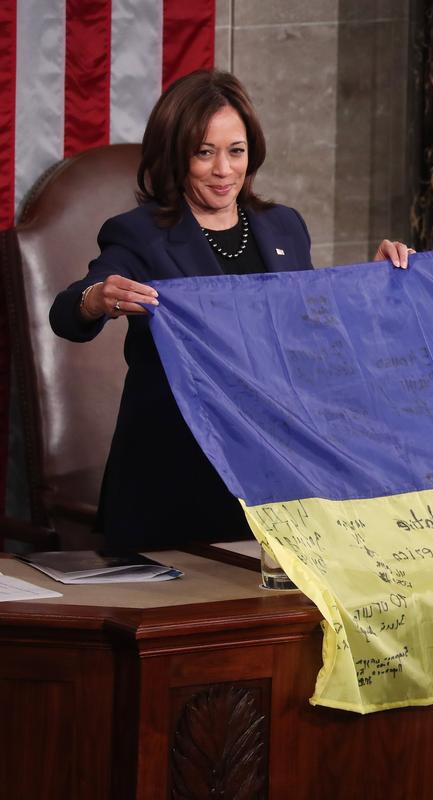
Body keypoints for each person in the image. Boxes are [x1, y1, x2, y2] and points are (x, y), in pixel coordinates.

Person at [49, 70, 412, 550]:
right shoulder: (139, 234)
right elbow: (66, 313)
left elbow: (312, 333)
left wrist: (368, 283)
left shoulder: (283, 226)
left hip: (272, 472)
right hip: (175, 478)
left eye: (235, 151)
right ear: (175, 154)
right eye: (204, 152)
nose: (223, 169)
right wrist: (95, 300)